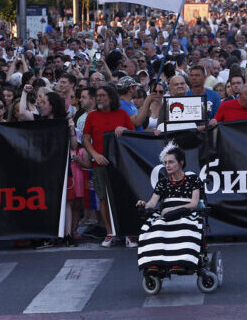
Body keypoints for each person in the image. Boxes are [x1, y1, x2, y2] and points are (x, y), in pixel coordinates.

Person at [135, 144, 203, 273]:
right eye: (165, 163)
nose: (167, 165)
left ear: (181, 162)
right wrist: (144, 204)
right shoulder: (163, 182)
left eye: (171, 162)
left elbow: (194, 203)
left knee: (185, 225)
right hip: (166, 215)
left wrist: (173, 210)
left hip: (186, 213)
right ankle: (154, 262)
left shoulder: (192, 178)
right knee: (154, 226)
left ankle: (181, 261)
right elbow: (152, 203)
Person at [82, 84, 135, 248]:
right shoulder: (91, 116)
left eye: (103, 95)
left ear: (111, 97)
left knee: (124, 196)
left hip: (121, 163)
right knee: (103, 198)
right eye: (97, 96)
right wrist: (95, 155)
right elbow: (85, 139)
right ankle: (110, 232)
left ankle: (128, 233)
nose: (99, 98)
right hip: (100, 163)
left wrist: (124, 130)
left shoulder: (122, 114)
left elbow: (133, 135)